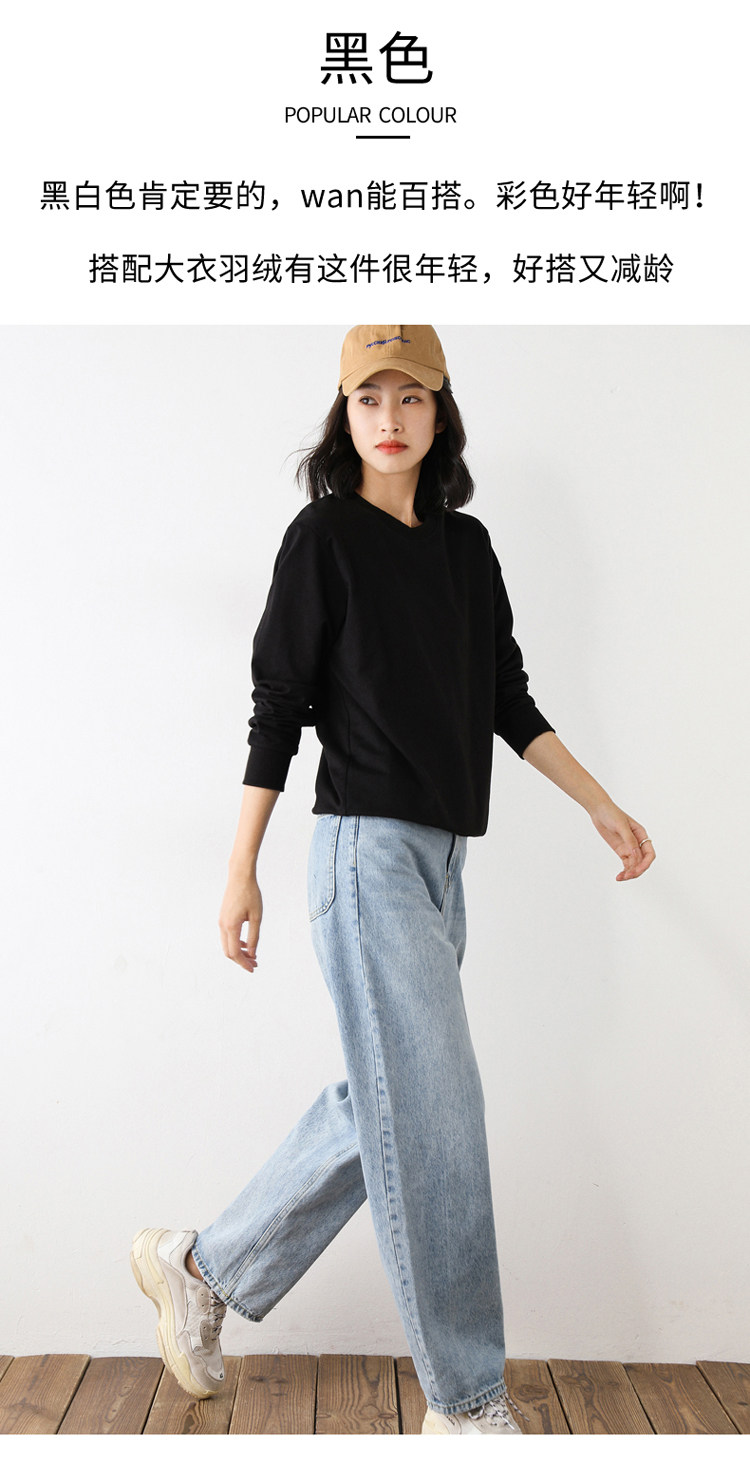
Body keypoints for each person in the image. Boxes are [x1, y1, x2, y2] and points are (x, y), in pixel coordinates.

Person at [131, 324, 655, 1436]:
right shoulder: (324, 537)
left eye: (409, 396)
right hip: (363, 851)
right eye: (367, 397)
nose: (388, 416)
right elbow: (277, 707)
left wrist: (599, 802)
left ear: (439, 412)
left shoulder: (467, 550)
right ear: (344, 415)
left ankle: (204, 1266)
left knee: (393, 1096)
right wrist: (241, 869)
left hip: (442, 862)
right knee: (439, 1112)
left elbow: (506, 696)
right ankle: (467, 1403)